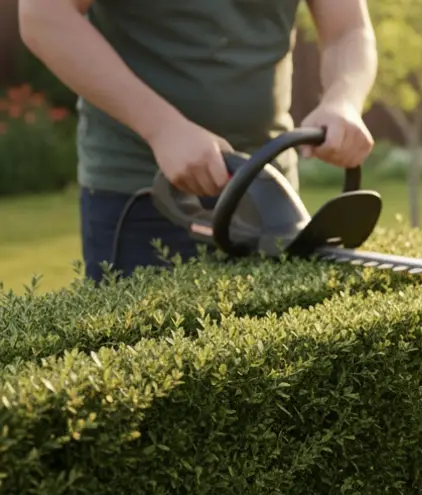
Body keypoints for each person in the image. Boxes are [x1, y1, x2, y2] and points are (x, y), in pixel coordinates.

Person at [18, 0, 378, 283]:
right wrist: (162, 128)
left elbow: (349, 29)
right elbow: (43, 14)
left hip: (269, 194)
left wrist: (343, 99)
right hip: (146, 196)